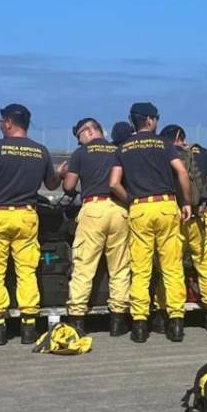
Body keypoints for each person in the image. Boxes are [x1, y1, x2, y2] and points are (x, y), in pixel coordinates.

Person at [0, 103, 60, 346]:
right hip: (26, 215)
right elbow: (51, 184)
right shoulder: (40, 150)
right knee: (26, 270)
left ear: (8, 122)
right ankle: (28, 323)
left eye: (1, 122)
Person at [116, 102, 191, 343]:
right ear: (149, 120)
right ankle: (176, 321)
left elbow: (113, 182)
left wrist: (132, 200)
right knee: (171, 266)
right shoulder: (165, 144)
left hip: (140, 207)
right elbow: (181, 172)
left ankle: (139, 324)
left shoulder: (124, 147)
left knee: (141, 269)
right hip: (167, 204)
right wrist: (186, 201)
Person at [61, 117, 131, 337]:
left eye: (79, 135)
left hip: (93, 209)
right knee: (119, 267)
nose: (79, 141)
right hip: (119, 210)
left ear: (89, 132)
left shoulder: (81, 153)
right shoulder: (117, 150)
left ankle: (77, 319)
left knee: (84, 267)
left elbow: (69, 187)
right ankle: (118, 320)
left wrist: (64, 175)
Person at [162, 124, 207, 331]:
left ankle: (175, 318)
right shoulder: (202, 153)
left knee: (172, 267)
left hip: (175, 217)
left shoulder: (165, 153)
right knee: (206, 265)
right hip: (201, 216)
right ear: (182, 137)